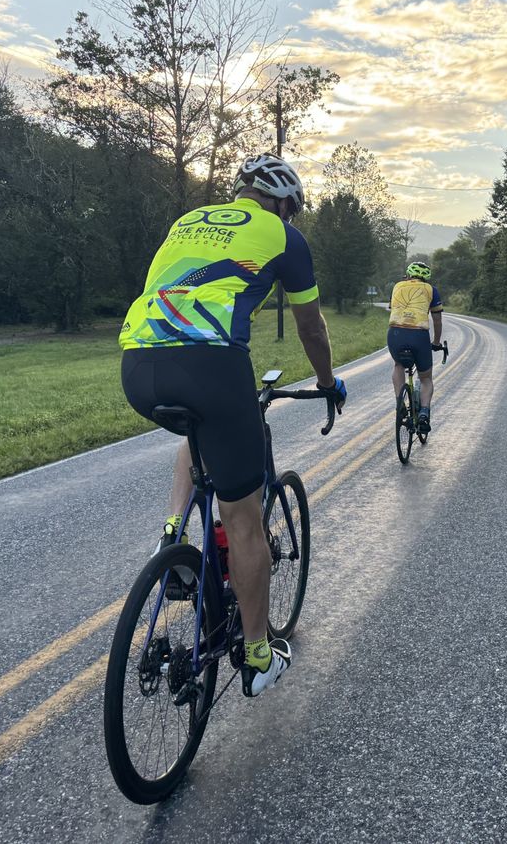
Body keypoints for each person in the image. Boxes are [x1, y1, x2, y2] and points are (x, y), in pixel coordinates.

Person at [118, 153, 347, 696]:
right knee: (243, 522)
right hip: (212, 368)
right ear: (285, 202)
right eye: (292, 209)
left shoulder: (187, 222)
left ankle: (171, 538)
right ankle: (258, 655)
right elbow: (311, 328)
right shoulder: (283, 236)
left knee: (198, 434)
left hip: (138, 366)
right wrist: (327, 381)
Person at [386, 262, 443, 433]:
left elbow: (393, 308)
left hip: (395, 333)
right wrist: (436, 342)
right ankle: (424, 412)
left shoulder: (397, 286)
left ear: (408, 275)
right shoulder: (431, 289)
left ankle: (399, 402)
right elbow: (437, 320)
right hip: (419, 335)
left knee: (398, 365)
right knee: (425, 379)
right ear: (426, 277)